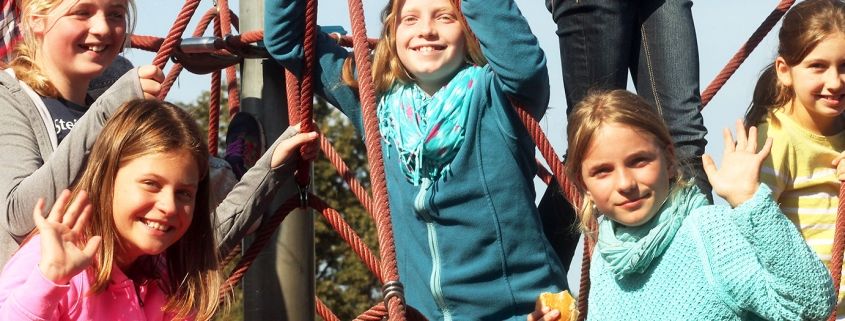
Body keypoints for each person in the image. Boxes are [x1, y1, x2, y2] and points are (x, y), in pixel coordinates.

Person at [264, 0, 568, 319]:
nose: (426, 30)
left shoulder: (498, 98)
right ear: (393, 34)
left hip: (521, 313)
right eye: (410, 19)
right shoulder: (375, 103)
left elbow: (524, 64)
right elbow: (287, 38)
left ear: (469, 30)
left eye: (445, 17)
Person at [529, 90, 834, 321]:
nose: (625, 183)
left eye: (639, 161)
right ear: (584, 185)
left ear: (669, 160)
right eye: (602, 171)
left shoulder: (709, 232)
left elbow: (811, 304)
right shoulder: (607, 256)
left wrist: (751, 202)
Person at [0, 99, 318, 321]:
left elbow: (212, 234)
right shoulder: (54, 261)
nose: (168, 207)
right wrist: (49, 279)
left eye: (184, 193)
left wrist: (275, 166)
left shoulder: (166, 274)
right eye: (151, 184)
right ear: (107, 179)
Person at [0, 0, 163, 267]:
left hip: (102, 287)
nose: (102, 28)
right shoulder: (8, 97)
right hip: (38, 289)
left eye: (115, 14)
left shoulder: (106, 112)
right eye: (82, 13)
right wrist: (108, 108)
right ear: (36, 19)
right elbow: (19, 215)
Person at [744, 0, 845, 316]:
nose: (835, 82)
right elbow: (753, 233)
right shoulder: (775, 139)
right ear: (784, 71)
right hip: (802, 309)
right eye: (818, 66)